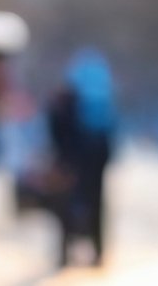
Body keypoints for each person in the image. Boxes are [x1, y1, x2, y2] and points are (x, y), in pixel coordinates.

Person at [47, 49, 118, 267]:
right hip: (98, 157)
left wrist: (61, 157)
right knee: (96, 203)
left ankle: (66, 251)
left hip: (72, 160)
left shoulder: (67, 97)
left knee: (67, 203)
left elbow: (57, 126)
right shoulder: (103, 94)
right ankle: (97, 252)